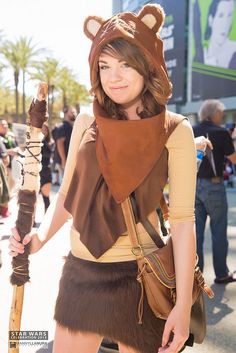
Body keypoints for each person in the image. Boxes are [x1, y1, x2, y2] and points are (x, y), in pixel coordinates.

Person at [9, 5, 198, 353]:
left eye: (126, 63)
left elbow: (184, 224)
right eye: (105, 65)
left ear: (147, 64)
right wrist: (40, 240)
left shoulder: (175, 130)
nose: (114, 77)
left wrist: (183, 306)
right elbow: (68, 195)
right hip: (81, 274)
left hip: (139, 279)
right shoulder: (86, 122)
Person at [193, 99, 236, 284]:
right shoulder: (222, 132)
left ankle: (196, 275)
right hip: (215, 186)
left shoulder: (191, 130)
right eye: (222, 113)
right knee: (218, 232)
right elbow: (234, 159)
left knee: (196, 234)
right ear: (215, 114)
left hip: (193, 186)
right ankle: (221, 274)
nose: (223, 116)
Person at [203, 0, 236, 69]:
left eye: (229, 16)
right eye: (221, 16)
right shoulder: (201, 55)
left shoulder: (234, 51)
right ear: (211, 20)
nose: (225, 24)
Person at [40, 123, 54, 213]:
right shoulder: (33, 142)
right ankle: (32, 221)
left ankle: (46, 220)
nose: (43, 131)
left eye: (45, 130)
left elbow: (48, 153)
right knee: (33, 199)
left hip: (45, 172)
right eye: (41, 129)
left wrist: (42, 141)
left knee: (46, 198)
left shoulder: (50, 142)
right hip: (35, 172)